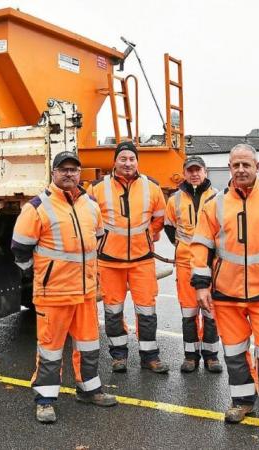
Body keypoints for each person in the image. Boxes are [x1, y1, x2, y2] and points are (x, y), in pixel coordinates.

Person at [191, 144, 259, 441]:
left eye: (246, 165)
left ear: (257, 167)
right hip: (226, 295)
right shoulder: (213, 204)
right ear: (229, 167)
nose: (241, 170)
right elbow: (200, 245)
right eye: (236, 165)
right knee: (235, 353)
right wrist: (202, 284)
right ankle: (242, 402)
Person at [12, 151, 117, 423]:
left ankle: (89, 389)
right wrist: (41, 275)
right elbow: (20, 249)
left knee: (89, 344)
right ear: (54, 172)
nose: (69, 174)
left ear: (79, 173)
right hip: (54, 293)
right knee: (50, 348)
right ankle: (45, 400)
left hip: (84, 293)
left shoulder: (90, 204)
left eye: (74, 169)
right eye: (63, 169)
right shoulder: (36, 207)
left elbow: (98, 237)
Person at [87, 141, 168, 373]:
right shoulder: (96, 188)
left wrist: (148, 235)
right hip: (110, 261)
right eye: (123, 159)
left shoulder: (151, 187)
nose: (128, 163)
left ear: (137, 162)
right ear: (114, 162)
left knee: (147, 311)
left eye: (132, 159)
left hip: (142, 260)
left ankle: (150, 357)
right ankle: (119, 356)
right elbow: (88, 219)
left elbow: (160, 217)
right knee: (113, 311)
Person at [164, 155, 222, 374]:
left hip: (211, 264)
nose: (195, 174)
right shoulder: (175, 199)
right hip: (186, 264)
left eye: (198, 170)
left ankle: (211, 356)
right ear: (185, 173)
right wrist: (182, 247)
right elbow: (169, 227)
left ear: (205, 172)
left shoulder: (218, 197)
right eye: (190, 170)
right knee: (188, 312)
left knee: (210, 311)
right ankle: (190, 356)